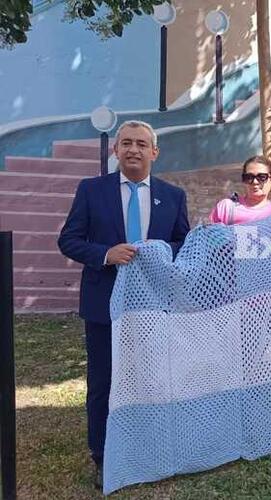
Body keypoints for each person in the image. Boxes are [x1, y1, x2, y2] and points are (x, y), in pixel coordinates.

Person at [58, 120, 190, 489]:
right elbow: (68, 240)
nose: (134, 149)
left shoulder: (173, 195)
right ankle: (102, 454)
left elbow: (183, 243)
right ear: (115, 150)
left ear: (154, 152)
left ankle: (147, 446)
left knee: (150, 378)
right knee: (103, 381)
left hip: (152, 306)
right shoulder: (91, 190)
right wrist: (105, 253)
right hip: (104, 304)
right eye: (126, 143)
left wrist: (159, 252)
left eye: (141, 144)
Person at [209, 155, 271, 224]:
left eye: (262, 177)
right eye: (249, 177)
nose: (255, 182)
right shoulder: (226, 208)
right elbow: (208, 235)